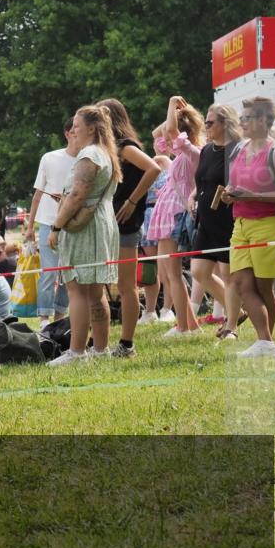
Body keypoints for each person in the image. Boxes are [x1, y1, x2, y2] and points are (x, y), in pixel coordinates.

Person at [47, 105, 122, 366]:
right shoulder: (105, 153)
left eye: (77, 127)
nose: (72, 131)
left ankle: (76, 352)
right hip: (101, 222)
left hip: (86, 228)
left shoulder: (90, 154)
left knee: (77, 288)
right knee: (94, 291)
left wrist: (56, 226)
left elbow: (78, 194)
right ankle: (100, 350)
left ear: (91, 128)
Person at [223, 96, 275, 357]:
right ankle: (265, 342)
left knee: (264, 288)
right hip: (241, 224)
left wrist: (254, 196)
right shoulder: (240, 149)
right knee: (241, 283)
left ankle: (265, 342)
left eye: (247, 118)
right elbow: (237, 184)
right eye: (241, 118)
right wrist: (230, 193)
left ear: (263, 120)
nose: (241, 122)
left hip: (270, 225)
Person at [96, 98, 162, 358]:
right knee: (113, 285)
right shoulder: (112, 148)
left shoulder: (125, 147)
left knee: (126, 286)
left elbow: (154, 168)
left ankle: (127, 343)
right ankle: (104, 342)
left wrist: (133, 201)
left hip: (126, 224)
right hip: (113, 222)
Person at [148, 95, 205, 337]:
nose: (169, 140)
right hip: (168, 211)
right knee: (169, 273)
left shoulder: (193, 151)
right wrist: (177, 112)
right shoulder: (182, 152)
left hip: (176, 212)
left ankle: (183, 326)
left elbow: (169, 131)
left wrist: (172, 103)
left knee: (173, 273)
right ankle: (190, 325)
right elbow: (157, 134)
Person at [188, 104, 243, 341]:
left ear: (225, 123)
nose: (206, 127)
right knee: (198, 272)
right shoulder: (207, 150)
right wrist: (193, 195)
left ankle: (231, 326)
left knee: (229, 276)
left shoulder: (237, 150)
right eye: (206, 122)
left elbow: (243, 181)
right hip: (206, 221)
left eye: (210, 123)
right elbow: (202, 180)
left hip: (226, 220)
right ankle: (237, 312)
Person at [25, 118, 77, 324]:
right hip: (48, 222)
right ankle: (44, 318)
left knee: (67, 273)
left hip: (74, 223)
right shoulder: (49, 158)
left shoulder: (86, 159)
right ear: (67, 133)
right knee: (49, 271)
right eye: (74, 130)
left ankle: (60, 315)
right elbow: (38, 194)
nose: (77, 134)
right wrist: (30, 227)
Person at [138, 156, 173, 323]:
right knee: (150, 268)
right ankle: (150, 311)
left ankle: (167, 309)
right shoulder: (144, 165)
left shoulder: (169, 164)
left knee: (167, 268)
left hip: (164, 216)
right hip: (146, 218)